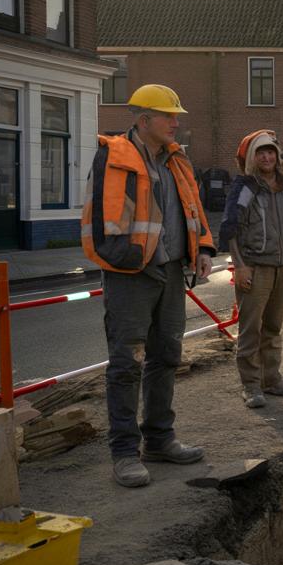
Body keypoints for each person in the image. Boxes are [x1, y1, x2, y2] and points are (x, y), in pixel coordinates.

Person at [81, 84, 215, 488]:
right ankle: (125, 452)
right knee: (127, 363)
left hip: (172, 271)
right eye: (168, 116)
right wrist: (123, 261)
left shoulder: (177, 160)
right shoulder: (114, 156)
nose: (176, 123)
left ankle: (159, 438)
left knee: (166, 356)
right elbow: (103, 216)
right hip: (130, 274)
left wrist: (204, 247)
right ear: (144, 120)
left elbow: (193, 206)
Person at [219, 130, 283, 408]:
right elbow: (231, 228)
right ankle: (251, 386)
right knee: (251, 330)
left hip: (282, 267)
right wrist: (240, 266)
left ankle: (272, 379)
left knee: (273, 327)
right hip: (254, 268)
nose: (266, 156)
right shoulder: (246, 188)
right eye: (260, 152)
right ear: (252, 157)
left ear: (277, 156)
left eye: (270, 151)